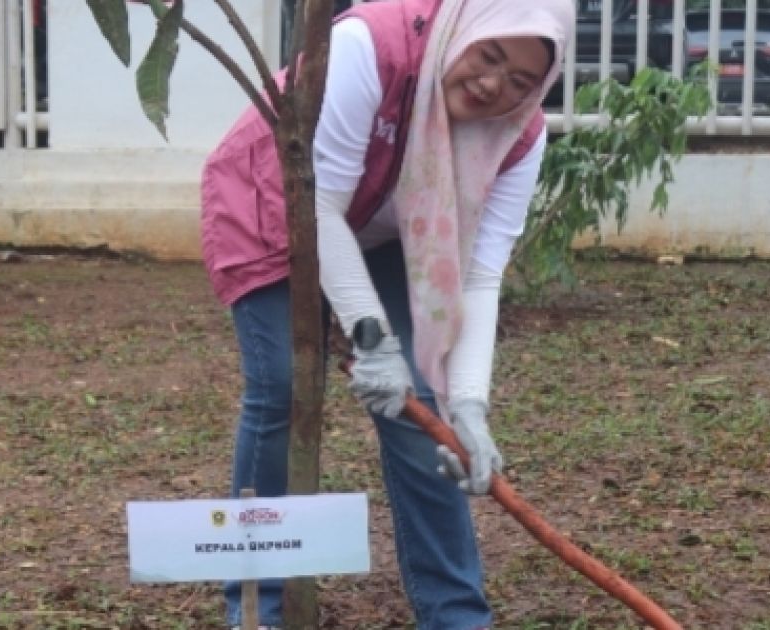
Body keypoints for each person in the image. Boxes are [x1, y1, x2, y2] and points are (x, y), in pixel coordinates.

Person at [199, 0, 575, 628]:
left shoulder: (520, 133)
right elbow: (319, 207)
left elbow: (480, 276)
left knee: (420, 407)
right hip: (274, 196)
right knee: (285, 390)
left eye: (520, 81)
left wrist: (471, 409)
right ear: (464, 28)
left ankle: (456, 614)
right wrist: (372, 340)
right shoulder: (368, 46)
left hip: (383, 230)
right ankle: (259, 611)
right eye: (489, 56)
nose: (493, 87)